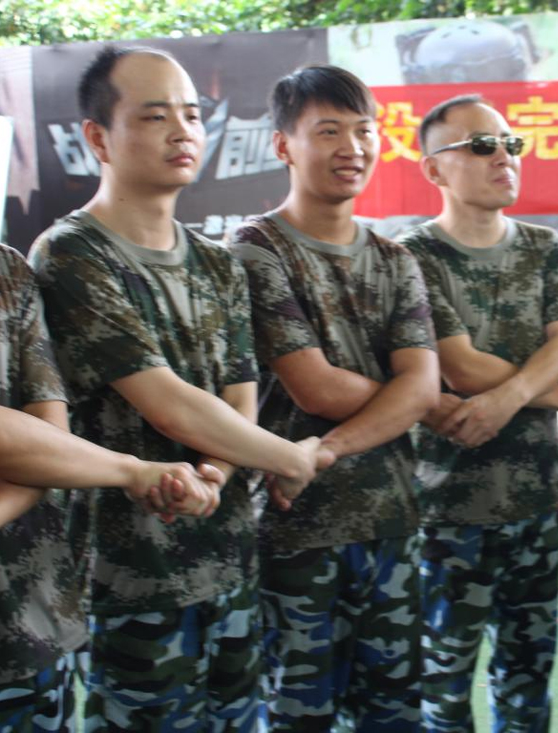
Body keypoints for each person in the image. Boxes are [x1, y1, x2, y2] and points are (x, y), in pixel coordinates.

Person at [28, 47, 330, 731]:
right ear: (98, 137)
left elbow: (239, 392)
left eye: (193, 115)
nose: (183, 131)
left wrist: (217, 473)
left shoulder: (218, 264)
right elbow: (165, 400)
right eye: (155, 116)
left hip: (229, 560)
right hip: (129, 579)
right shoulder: (71, 253)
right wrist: (290, 457)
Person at [0, 19, 219, 731]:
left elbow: (47, 436)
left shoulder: (1, 270)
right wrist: (135, 470)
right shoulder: (69, 252)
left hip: (38, 627)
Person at [396, 93, 558, 732]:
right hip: (447, 507)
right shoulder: (412, 257)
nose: (503, 157)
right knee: (443, 682)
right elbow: (457, 363)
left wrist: (508, 398)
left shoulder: (544, 246)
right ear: (434, 168)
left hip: (536, 498)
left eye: (512, 144)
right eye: (481, 146)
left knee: (528, 676)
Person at [228, 65, 438, 732]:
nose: (353, 147)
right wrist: (403, 399)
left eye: (364, 131)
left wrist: (327, 449)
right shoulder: (256, 250)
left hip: (392, 521)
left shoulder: (396, 259)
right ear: (284, 145)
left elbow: (423, 385)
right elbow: (314, 385)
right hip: (297, 530)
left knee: (395, 712)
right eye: (329, 131)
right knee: (300, 712)